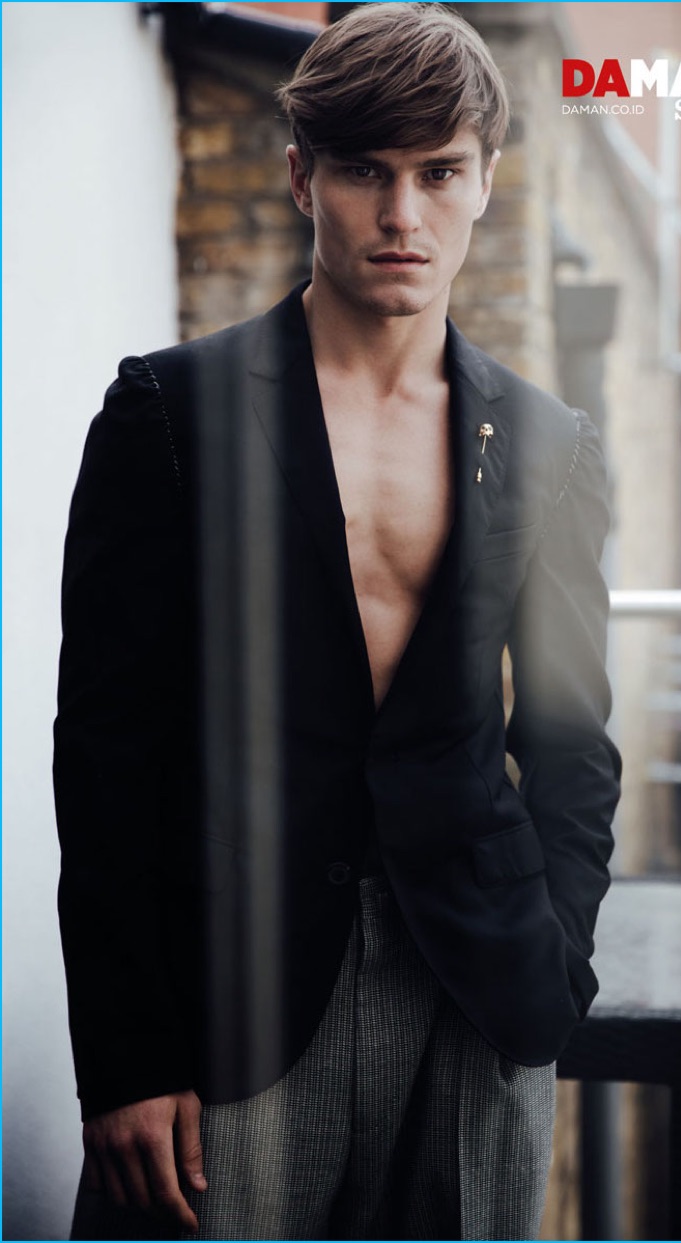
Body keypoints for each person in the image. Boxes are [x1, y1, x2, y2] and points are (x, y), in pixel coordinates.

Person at [54, 4, 621, 1239]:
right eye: (365, 171)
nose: (401, 213)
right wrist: (125, 1053)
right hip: (233, 982)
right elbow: (103, 755)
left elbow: (573, 744)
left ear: (485, 180)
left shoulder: (548, 445)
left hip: (473, 986)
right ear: (302, 176)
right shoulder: (169, 413)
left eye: (438, 173)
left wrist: (556, 958)